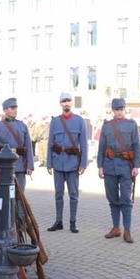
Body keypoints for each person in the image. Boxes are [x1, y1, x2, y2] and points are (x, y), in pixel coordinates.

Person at [98, 98, 140, 243]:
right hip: (109, 165)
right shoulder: (107, 126)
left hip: (125, 167)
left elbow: (136, 146)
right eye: (116, 109)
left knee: (126, 200)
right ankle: (116, 227)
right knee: (112, 199)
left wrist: (136, 166)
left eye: (121, 109)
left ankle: (127, 230)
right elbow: (102, 147)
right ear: (113, 110)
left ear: (125, 109)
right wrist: (100, 166)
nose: (119, 112)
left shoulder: (131, 125)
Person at [46, 92, 88, 234]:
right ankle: (58, 221)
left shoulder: (79, 121)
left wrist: (83, 164)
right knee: (58, 194)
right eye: (63, 101)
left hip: (73, 164)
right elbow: (50, 143)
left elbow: (84, 145)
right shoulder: (55, 121)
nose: (66, 103)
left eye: (68, 101)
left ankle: (73, 222)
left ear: (72, 103)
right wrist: (49, 163)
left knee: (73, 194)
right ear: (60, 104)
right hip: (58, 163)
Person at [0, 97, 34, 192]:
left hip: (20, 165)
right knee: (4, 194)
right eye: (12, 108)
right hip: (3, 166)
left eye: (16, 108)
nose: (15, 110)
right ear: (5, 110)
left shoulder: (22, 126)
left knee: (20, 196)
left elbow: (28, 147)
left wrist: (29, 165)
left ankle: (19, 208)